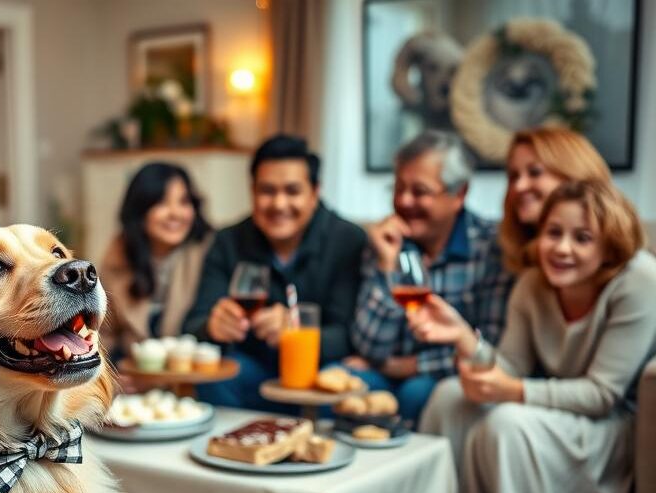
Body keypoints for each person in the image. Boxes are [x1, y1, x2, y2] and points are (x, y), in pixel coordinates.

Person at [412, 179, 656, 493]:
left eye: (582, 238)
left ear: (609, 245)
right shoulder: (531, 284)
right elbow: (510, 367)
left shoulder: (640, 281)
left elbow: (602, 394)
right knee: (447, 396)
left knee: (507, 421)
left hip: (611, 426)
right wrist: (465, 336)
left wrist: (515, 391)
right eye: (552, 233)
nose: (561, 249)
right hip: (555, 411)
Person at [183, 134, 367, 412]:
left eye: (292, 191)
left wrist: (295, 331)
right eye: (267, 191)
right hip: (255, 370)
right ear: (253, 191)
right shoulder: (228, 241)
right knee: (217, 375)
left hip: (318, 372)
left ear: (315, 193)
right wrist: (213, 325)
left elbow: (349, 334)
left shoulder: (348, 240)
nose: (279, 204)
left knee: (347, 382)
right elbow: (193, 324)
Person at [348, 130, 512, 425]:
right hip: (385, 373)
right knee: (344, 380)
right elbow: (368, 346)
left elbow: (491, 346)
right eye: (398, 188)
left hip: (445, 378)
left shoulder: (491, 248)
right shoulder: (387, 240)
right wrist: (386, 264)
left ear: (458, 195)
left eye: (419, 191)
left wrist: (406, 367)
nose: (403, 200)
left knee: (417, 392)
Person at [100, 162, 213, 359]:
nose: (175, 213)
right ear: (140, 210)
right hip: (131, 372)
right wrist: (112, 377)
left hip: (190, 374)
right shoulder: (119, 253)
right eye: (161, 203)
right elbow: (104, 332)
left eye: (184, 202)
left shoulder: (209, 250)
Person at [500, 127, 611, 274]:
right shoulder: (508, 255)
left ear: (574, 177)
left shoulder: (628, 271)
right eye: (514, 176)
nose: (518, 186)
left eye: (535, 172)